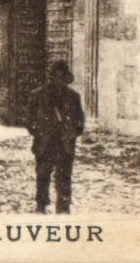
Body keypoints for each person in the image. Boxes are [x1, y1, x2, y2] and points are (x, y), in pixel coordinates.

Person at [25, 60, 85, 214]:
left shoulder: (73, 97)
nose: (59, 80)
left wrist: (71, 134)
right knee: (42, 175)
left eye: (62, 77)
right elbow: (29, 120)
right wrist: (39, 133)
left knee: (64, 176)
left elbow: (80, 121)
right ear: (51, 78)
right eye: (57, 76)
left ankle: (63, 206)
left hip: (64, 144)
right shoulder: (37, 96)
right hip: (45, 143)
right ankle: (41, 204)